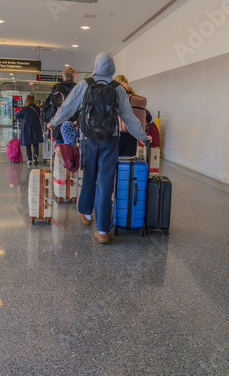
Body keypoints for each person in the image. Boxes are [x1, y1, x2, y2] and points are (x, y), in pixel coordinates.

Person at [49, 52, 152, 244]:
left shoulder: (85, 84)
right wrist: (143, 137)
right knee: (105, 182)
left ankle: (86, 215)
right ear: (112, 68)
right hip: (110, 140)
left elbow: (68, 107)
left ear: (95, 66)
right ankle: (103, 230)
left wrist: (54, 122)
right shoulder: (118, 88)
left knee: (88, 175)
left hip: (88, 138)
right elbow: (129, 117)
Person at [43, 66, 78, 144]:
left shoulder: (57, 87)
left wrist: (52, 122)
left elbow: (51, 106)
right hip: (74, 125)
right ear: (73, 78)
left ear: (63, 77)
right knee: (74, 152)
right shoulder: (78, 88)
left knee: (60, 152)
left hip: (59, 124)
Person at [114, 75, 143, 157]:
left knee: (114, 165)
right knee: (128, 165)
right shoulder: (134, 98)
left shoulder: (114, 96)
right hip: (131, 137)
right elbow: (148, 116)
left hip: (116, 135)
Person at [15, 94, 43, 166]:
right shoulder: (37, 108)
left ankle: (29, 159)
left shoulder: (24, 109)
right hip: (36, 127)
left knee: (28, 144)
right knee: (35, 143)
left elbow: (17, 116)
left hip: (27, 128)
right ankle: (36, 156)